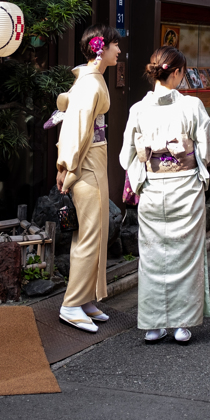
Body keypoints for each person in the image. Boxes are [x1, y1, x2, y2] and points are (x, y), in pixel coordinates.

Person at [120, 47, 210, 343]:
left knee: (152, 258)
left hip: (153, 190)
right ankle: (181, 324)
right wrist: (194, 161)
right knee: (186, 258)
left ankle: (153, 324)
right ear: (176, 73)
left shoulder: (138, 109)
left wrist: (144, 174)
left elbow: (127, 156)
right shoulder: (191, 106)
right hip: (186, 188)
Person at [55, 24, 122, 333]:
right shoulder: (91, 83)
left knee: (94, 232)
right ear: (100, 48)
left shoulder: (92, 80)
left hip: (93, 161)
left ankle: (85, 298)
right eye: (114, 45)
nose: (118, 50)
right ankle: (71, 304)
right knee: (90, 234)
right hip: (87, 165)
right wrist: (66, 168)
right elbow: (77, 130)